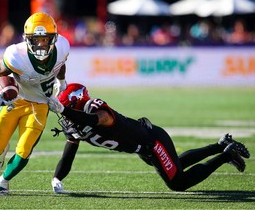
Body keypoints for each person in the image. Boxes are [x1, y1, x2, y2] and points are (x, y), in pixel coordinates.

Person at [47, 83, 250, 194]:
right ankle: (220, 145)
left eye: (68, 111)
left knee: (178, 183)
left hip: (152, 141)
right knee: (175, 164)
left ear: (77, 104)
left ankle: (226, 155)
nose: (66, 118)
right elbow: (68, 157)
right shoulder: (75, 124)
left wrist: (67, 110)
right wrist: (57, 178)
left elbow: (94, 120)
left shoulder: (97, 110)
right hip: (143, 148)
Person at [0, 12, 70, 196]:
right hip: (16, 101)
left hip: (40, 104)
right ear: (28, 39)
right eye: (37, 39)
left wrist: (61, 83)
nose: (41, 44)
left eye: (46, 39)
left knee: (24, 150)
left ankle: (3, 182)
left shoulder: (62, 47)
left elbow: (60, 64)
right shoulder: (16, 56)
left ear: (53, 38)